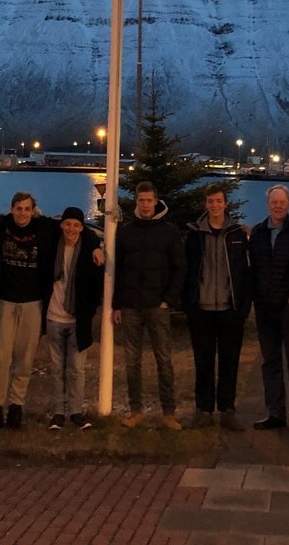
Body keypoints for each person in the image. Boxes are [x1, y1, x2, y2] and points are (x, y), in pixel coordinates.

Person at [0, 191, 102, 432]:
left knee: (24, 361)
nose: (23, 213)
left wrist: (95, 246)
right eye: (19, 208)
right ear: (11, 209)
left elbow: (77, 228)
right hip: (5, 302)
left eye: (27, 209)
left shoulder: (44, 227)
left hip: (33, 303)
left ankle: (16, 407)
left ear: (33, 210)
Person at [112, 181, 186, 430]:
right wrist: (117, 304)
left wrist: (169, 299)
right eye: (141, 200)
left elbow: (179, 268)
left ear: (156, 201)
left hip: (157, 306)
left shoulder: (169, 232)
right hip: (131, 305)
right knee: (132, 362)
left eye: (149, 200)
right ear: (137, 201)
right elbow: (119, 270)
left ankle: (169, 413)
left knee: (163, 360)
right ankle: (136, 410)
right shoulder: (126, 231)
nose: (145, 205)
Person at [183, 183, 252, 431]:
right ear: (206, 204)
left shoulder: (236, 234)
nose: (214, 205)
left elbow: (245, 273)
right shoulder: (195, 234)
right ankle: (203, 410)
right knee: (203, 363)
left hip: (229, 309)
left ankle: (227, 410)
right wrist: (188, 304)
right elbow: (187, 270)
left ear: (225, 203)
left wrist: (243, 308)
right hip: (201, 310)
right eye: (210, 201)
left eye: (219, 201)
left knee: (229, 363)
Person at [248, 183, 289, 434]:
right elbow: (253, 269)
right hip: (265, 307)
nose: (278, 206)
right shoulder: (258, 233)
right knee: (270, 362)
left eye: (282, 202)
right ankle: (275, 413)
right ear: (267, 204)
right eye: (274, 202)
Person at [44, 205, 104, 430]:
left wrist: (96, 245)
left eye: (76, 225)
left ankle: (76, 412)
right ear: (61, 224)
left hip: (78, 320)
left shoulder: (88, 250)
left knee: (77, 369)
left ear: (81, 227)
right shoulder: (52, 243)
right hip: (53, 317)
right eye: (67, 224)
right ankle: (58, 413)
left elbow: (96, 286)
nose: (71, 229)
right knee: (56, 368)